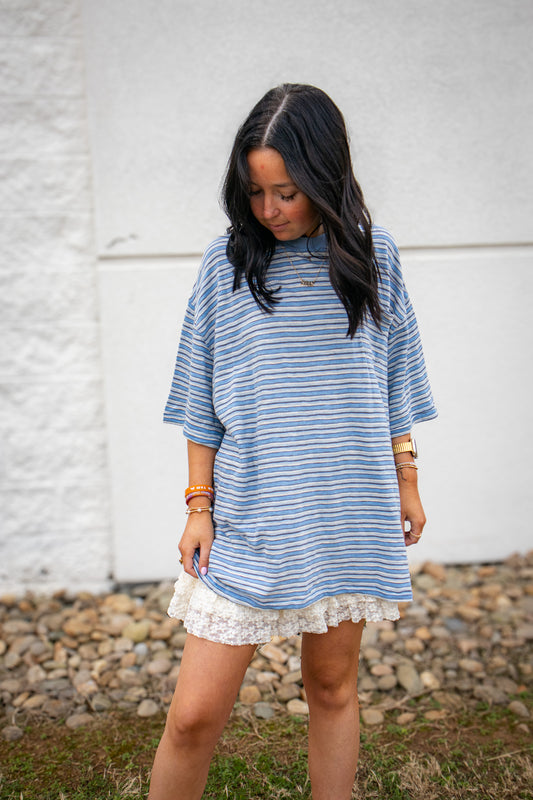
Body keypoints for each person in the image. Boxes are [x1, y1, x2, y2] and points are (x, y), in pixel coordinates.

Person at [148, 83, 437, 800]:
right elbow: (199, 399)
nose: (269, 210)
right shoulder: (226, 265)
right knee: (192, 717)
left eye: (287, 192)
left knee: (332, 687)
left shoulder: (373, 257)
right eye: (255, 192)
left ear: (325, 178)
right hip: (252, 515)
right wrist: (197, 505)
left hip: (349, 509)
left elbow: (394, 380)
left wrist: (406, 480)